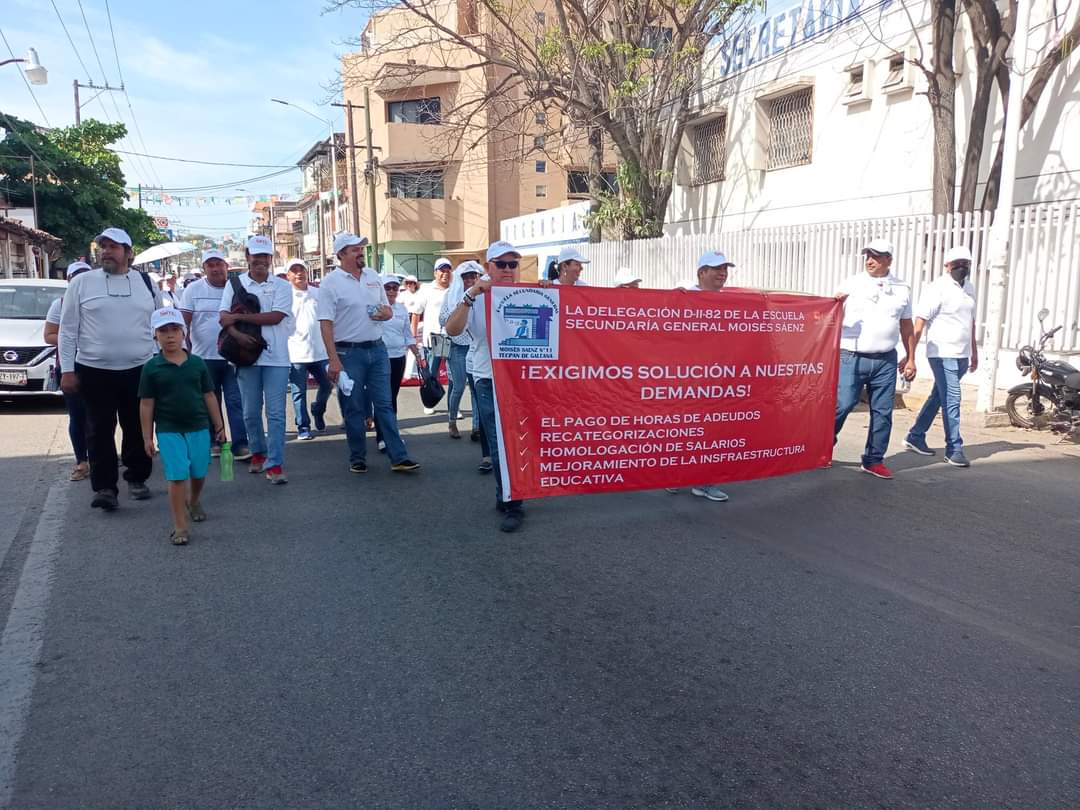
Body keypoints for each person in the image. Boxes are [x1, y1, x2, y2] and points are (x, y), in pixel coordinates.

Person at [59, 228, 162, 511]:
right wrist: (67, 370)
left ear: (128, 253)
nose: (106, 251)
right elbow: (67, 331)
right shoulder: (82, 284)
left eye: (114, 247)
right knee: (99, 429)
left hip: (139, 368)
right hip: (94, 369)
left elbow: (160, 326)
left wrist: (162, 363)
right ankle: (105, 487)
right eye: (102, 246)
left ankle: (137, 477)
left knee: (137, 426)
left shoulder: (146, 283)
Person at [317, 232, 420, 475]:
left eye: (361, 248)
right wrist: (333, 360)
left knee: (384, 405)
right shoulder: (330, 283)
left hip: (377, 348)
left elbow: (387, 308)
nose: (360, 252)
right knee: (354, 407)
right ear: (341, 254)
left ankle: (399, 456)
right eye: (355, 249)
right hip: (347, 352)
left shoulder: (373, 276)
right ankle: (357, 457)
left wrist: (385, 313)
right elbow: (325, 324)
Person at [445, 240, 528, 532]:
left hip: (523, 381)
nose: (507, 270)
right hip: (488, 379)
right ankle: (512, 501)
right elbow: (452, 330)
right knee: (499, 444)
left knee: (519, 442)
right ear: (488, 267)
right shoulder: (476, 298)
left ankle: (507, 494)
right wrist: (471, 295)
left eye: (512, 264)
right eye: (501, 264)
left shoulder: (530, 293)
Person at [138, 307, 226, 545]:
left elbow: (209, 395)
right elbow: (146, 404)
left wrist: (219, 425)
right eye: (163, 331)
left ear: (184, 333)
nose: (169, 336)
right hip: (168, 429)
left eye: (174, 330)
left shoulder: (197, 363)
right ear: (155, 335)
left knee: (198, 472)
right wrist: (147, 437)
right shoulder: (152, 367)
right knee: (177, 476)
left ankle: (194, 500)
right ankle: (180, 526)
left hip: (198, 426)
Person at [833, 239, 915, 480]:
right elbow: (830, 313)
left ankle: (874, 459)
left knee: (883, 412)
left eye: (876, 256)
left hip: (886, 360)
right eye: (867, 255)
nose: (870, 260)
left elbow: (906, 324)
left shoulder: (902, 288)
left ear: (889, 259)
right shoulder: (852, 283)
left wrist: (911, 357)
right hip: (851, 356)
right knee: (843, 404)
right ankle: (824, 443)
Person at [219, 235, 293, 484]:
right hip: (245, 356)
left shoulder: (282, 286)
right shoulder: (234, 283)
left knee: (276, 413)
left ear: (271, 259)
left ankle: (275, 463)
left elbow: (276, 317)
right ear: (248, 257)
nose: (260, 261)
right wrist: (237, 335)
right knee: (250, 412)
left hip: (277, 358)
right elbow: (223, 317)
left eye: (265, 256)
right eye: (255, 256)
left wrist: (240, 320)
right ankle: (258, 452)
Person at [667, 251, 736, 502]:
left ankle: (704, 482)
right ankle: (673, 475)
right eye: (717, 268)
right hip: (687, 379)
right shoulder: (683, 297)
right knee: (683, 429)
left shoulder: (732, 302)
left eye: (725, 269)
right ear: (701, 273)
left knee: (712, 431)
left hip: (718, 380)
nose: (722, 273)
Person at [904, 245, 978, 467]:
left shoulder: (970, 288)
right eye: (957, 264)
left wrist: (974, 351)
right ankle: (954, 448)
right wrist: (910, 356)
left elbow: (971, 322)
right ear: (947, 266)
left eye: (966, 264)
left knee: (939, 396)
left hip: (962, 354)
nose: (961, 268)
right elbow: (919, 323)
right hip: (942, 352)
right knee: (952, 399)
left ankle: (915, 436)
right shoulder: (937, 288)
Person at [179, 249, 250, 460]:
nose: (216, 268)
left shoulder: (237, 288)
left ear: (226, 266)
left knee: (236, 401)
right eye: (210, 265)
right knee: (208, 402)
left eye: (219, 264)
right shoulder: (193, 290)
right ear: (204, 269)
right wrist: (184, 351)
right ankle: (215, 441)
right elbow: (184, 322)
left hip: (233, 357)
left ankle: (240, 444)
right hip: (203, 358)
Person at [44, 261, 92, 481]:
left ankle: (101, 456)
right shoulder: (60, 304)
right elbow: (49, 335)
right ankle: (82, 461)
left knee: (101, 415)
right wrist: (69, 336)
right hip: (71, 366)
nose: (81, 281)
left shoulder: (98, 302)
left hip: (97, 364)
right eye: (76, 276)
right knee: (77, 415)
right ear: (69, 280)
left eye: (85, 276)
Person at [285, 258, 332, 441]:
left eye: (301, 270)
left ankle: (318, 409)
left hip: (320, 351)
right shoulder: (285, 296)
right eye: (294, 271)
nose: (299, 273)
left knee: (328, 385)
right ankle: (303, 426)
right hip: (296, 352)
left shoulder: (318, 293)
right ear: (288, 275)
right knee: (298, 392)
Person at [374, 272, 421, 451]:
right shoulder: (375, 307)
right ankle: (382, 437)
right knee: (383, 399)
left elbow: (407, 334)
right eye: (388, 288)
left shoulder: (401, 309)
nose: (392, 291)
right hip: (380, 358)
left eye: (395, 287)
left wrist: (416, 352)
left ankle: (390, 433)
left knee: (391, 397)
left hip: (398, 358)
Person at [440, 261, 483, 440]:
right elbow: (442, 319)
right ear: (460, 279)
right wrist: (460, 312)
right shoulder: (451, 295)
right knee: (458, 386)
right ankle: (452, 422)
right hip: (457, 345)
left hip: (476, 346)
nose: (470, 279)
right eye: (466, 277)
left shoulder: (483, 294)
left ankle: (476, 427)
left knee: (476, 388)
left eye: (473, 276)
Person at [412, 258, 452, 414]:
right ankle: (429, 402)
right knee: (432, 373)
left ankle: (452, 408)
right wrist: (413, 337)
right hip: (434, 337)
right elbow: (416, 314)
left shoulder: (455, 288)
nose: (445, 273)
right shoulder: (427, 289)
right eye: (442, 270)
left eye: (448, 270)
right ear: (435, 272)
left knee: (453, 374)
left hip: (452, 336)